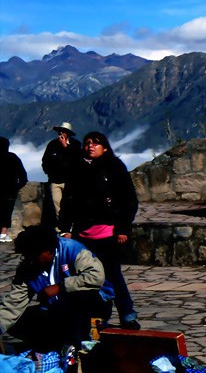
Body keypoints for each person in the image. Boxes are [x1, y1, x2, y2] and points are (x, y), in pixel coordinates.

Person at [60, 131, 141, 330]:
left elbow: (128, 200)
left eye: (95, 144)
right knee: (84, 277)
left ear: (104, 147)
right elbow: (68, 201)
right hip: (82, 234)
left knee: (113, 275)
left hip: (108, 233)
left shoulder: (114, 168)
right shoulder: (76, 168)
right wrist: (66, 229)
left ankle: (127, 314)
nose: (90, 146)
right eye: (87, 143)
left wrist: (123, 229)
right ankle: (94, 317)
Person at [0, 225, 113, 351]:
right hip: (57, 308)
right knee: (21, 323)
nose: (29, 260)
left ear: (48, 251)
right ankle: (56, 343)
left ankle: (76, 343)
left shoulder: (72, 249)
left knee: (79, 310)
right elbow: (13, 303)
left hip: (92, 306)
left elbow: (96, 277)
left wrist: (61, 287)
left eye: (32, 255)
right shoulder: (28, 268)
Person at [42, 121, 82, 231]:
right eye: (60, 131)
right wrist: (48, 172)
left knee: (71, 204)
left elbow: (78, 160)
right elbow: (45, 160)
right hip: (55, 180)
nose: (61, 133)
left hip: (71, 181)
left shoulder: (76, 145)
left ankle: (70, 225)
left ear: (68, 133)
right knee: (57, 204)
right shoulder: (52, 145)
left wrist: (65, 147)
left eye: (63, 131)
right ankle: (62, 226)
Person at [1, 137, 28, 243]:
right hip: (9, 191)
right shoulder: (13, 158)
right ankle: (3, 234)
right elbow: (23, 176)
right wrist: (16, 188)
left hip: (7, 191)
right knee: (7, 212)